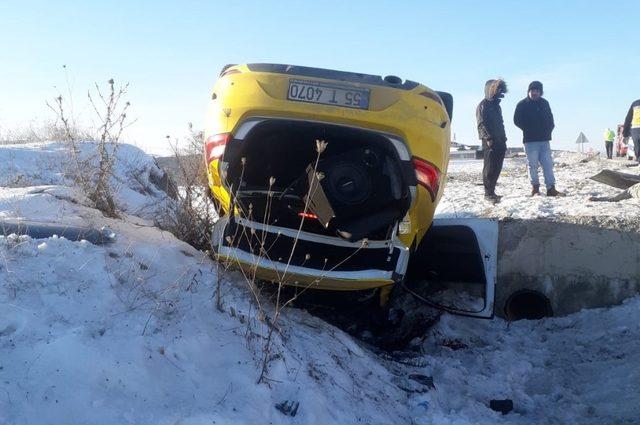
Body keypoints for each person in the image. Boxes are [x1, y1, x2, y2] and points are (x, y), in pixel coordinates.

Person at [513, 81, 562, 196]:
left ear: (540, 92)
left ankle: (551, 188)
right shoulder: (522, 104)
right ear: (529, 91)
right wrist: (528, 129)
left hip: (544, 141)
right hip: (530, 141)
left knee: (548, 165)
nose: (535, 93)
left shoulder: (545, 103)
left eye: (537, 91)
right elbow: (516, 120)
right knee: (533, 165)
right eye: (532, 90)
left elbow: (551, 119)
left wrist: (549, 130)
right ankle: (535, 188)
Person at [476, 79, 508, 204]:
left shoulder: (497, 106)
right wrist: (487, 138)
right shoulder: (483, 105)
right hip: (490, 141)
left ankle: (492, 192)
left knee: (497, 167)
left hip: (500, 140)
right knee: (489, 167)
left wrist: (504, 137)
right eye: (498, 89)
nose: (500, 92)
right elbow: (481, 124)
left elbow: (501, 123)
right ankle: (488, 193)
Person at [622, 98, 640, 163]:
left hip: (635, 130)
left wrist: (625, 134)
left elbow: (628, 119)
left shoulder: (635, 103)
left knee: (637, 148)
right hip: (635, 129)